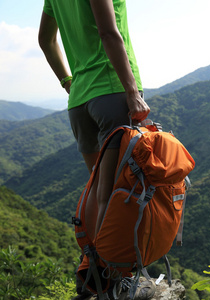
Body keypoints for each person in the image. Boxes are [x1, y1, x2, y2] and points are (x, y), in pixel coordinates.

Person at [38, 0, 151, 298]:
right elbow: (109, 32)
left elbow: (45, 40)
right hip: (112, 90)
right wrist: (131, 91)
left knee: (97, 187)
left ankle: (90, 273)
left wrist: (67, 81)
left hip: (80, 102)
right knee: (112, 194)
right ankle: (110, 279)